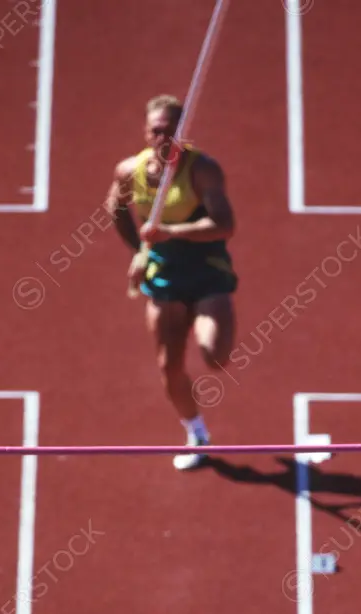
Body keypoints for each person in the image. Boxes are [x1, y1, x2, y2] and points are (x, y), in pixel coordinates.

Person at [106, 94, 238, 470]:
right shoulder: (130, 170)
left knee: (214, 356)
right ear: (146, 132)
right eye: (156, 130)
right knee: (169, 365)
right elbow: (115, 206)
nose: (162, 137)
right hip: (163, 274)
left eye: (170, 130)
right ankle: (196, 432)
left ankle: (211, 320)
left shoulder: (202, 170)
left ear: (182, 131)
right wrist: (137, 249)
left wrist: (169, 231)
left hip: (207, 269)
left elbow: (225, 225)